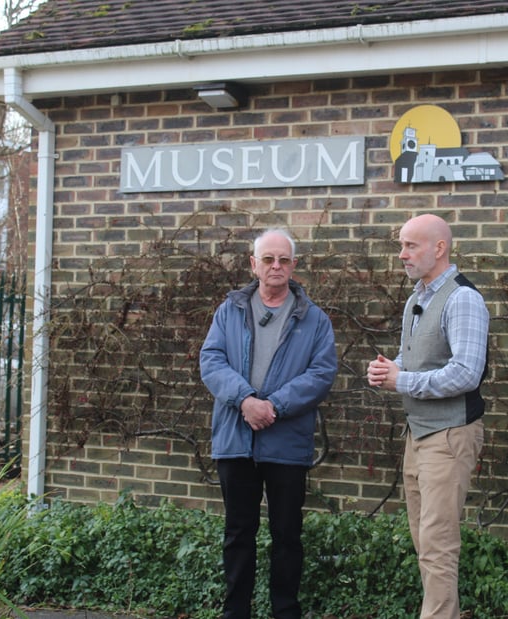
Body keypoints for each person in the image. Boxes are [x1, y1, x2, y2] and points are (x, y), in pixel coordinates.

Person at [200, 228, 338, 619]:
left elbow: (321, 374)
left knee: (287, 535)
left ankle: (285, 612)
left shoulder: (314, 319)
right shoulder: (229, 311)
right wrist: (245, 400)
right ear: (253, 264)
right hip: (236, 440)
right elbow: (211, 361)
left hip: (286, 443)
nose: (276, 266)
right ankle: (235, 613)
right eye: (268, 259)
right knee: (238, 533)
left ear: (293, 266)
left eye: (284, 260)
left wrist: (272, 406)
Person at [366, 213, 489, 619]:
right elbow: (416, 358)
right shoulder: (417, 298)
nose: (402, 255)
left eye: (410, 246)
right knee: (425, 542)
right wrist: (390, 368)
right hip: (418, 435)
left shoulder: (462, 298)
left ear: (439, 248)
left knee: (437, 545)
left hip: (450, 435)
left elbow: (466, 373)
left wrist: (401, 380)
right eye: (401, 246)